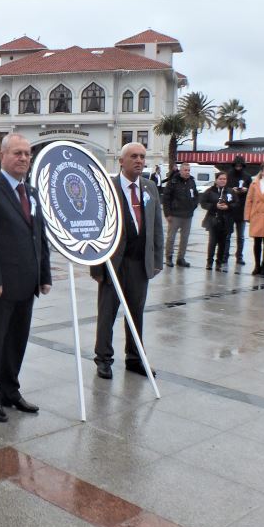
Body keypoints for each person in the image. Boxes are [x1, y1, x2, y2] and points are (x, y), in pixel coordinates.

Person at [0, 134, 51, 422]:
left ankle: (10, 391)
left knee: (17, 341)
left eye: (27, 154)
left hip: (27, 283)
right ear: (1, 156)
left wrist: (44, 275)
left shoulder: (30, 192)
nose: (23, 158)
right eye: (17, 153)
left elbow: (39, 236)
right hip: (0, 285)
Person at [91, 142, 164, 380]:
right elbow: (96, 228)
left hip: (139, 263)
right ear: (121, 161)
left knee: (136, 313)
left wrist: (157, 259)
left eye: (142, 156)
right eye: (133, 156)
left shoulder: (150, 188)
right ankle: (103, 359)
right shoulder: (107, 187)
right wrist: (97, 265)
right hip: (113, 263)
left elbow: (156, 226)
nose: (139, 160)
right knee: (107, 314)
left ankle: (135, 358)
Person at [199, 171, 237, 271]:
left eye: (224, 179)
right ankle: (209, 262)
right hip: (213, 220)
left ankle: (219, 262)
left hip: (226, 221)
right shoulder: (210, 191)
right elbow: (203, 203)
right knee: (212, 242)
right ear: (216, 180)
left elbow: (236, 203)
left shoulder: (230, 191)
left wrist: (228, 206)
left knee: (223, 243)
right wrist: (214, 206)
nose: (222, 181)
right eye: (220, 179)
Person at [162, 162, 197, 267]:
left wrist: (193, 206)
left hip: (188, 215)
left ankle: (181, 258)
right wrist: (167, 213)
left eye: (189, 170)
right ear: (180, 171)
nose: (187, 172)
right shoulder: (173, 182)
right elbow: (166, 198)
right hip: (175, 215)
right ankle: (169, 257)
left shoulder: (191, 182)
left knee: (185, 238)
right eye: (185, 170)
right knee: (171, 237)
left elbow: (196, 195)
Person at [225, 155, 251, 265]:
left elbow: (252, 192)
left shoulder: (247, 176)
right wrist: (232, 190)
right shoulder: (228, 175)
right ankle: (224, 255)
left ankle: (239, 256)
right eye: (237, 165)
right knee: (227, 235)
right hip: (230, 210)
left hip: (242, 210)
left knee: (240, 236)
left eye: (240, 165)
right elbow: (223, 189)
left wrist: (246, 190)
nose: (238, 167)